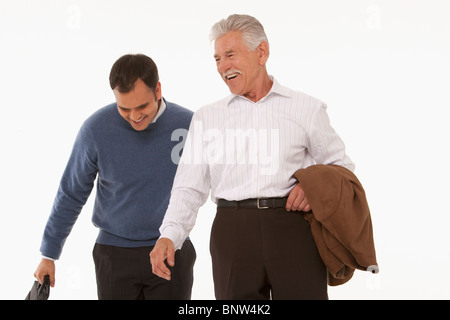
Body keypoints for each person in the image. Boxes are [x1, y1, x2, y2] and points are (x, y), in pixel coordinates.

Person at [150, 14, 355, 300]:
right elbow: (189, 187)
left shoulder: (305, 109)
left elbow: (341, 168)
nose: (223, 66)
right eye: (218, 59)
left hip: (294, 228)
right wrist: (169, 235)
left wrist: (313, 188)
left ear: (261, 52)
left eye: (230, 55)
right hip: (232, 233)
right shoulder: (207, 117)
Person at [33, 54, 196, 300]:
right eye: (124, 108)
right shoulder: (96, 129)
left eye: (142, 107)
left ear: (158, 90)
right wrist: (49, 254)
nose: (134, 116)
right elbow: (71, 193)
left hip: (171, 250)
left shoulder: (189, 124)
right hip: (114, 254)